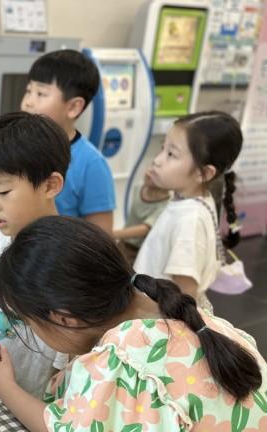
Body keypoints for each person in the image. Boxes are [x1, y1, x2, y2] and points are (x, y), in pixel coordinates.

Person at [0, 215, 265, 432]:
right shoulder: (188, 317)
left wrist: (5, 385)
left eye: (32, 324)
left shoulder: (123, 360)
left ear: (64, 318)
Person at [0, 112, 70, 399]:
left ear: (50, 185)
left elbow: (70, 347)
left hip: (35, 397)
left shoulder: (66, 255)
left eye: (3, 191)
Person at [134, 111, 243, 308]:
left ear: (204, 173)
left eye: (171, 154)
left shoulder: (189, 221)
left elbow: (185, 294)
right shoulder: (189, 200)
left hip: (159, 323)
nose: (157, 160)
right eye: (162, 149)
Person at [19, 49, 115, 234]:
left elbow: (101, 237)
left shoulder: (91, 164)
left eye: (41, 93)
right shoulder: (11, 144)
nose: (28, 102)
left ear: (73, 107)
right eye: (28, 90)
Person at [113, 168, 170, 264]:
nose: (149, 173)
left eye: (155, 173)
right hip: (123, 242)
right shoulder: (139, 187)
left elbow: (144, 229)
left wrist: (112, 233)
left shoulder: (165, 206)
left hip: (140, 250)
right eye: (151, 168)